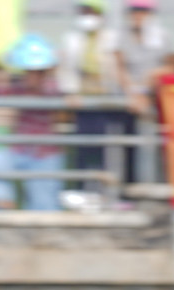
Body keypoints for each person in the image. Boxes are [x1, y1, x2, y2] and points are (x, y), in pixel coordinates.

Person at [0, 34, 65, 211]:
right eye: (28, 71)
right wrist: (4, 63)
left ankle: (42, 229)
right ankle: (3, 207)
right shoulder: (18, 88)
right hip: (20, 150)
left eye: (37, 72)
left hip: (45, 154)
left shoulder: (52, 88)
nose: (32, 76)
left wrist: (52, 62)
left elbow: (59, 90)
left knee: (44, 204)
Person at [60, 0, 131, 190]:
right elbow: (66, 69)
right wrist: (70, 92)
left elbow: (119, 70)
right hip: (83, 104)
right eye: (84, 11)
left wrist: (128, 92)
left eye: (91, 11)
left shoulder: (112, 38)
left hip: (108, 103)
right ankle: (82, 191)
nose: (87, 16)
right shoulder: (72, 39)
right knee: (83, 152)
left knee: (110, 152)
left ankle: (112, 193)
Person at [118, 0, 174, 120]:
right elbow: (119, 67)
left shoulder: (163, 36)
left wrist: (148, 83)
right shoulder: (121, 36)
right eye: (134, 11)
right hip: (127, 100)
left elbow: (173, 66)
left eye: (143, 11)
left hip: (155, 99)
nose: (138, 15)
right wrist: (134, 93)